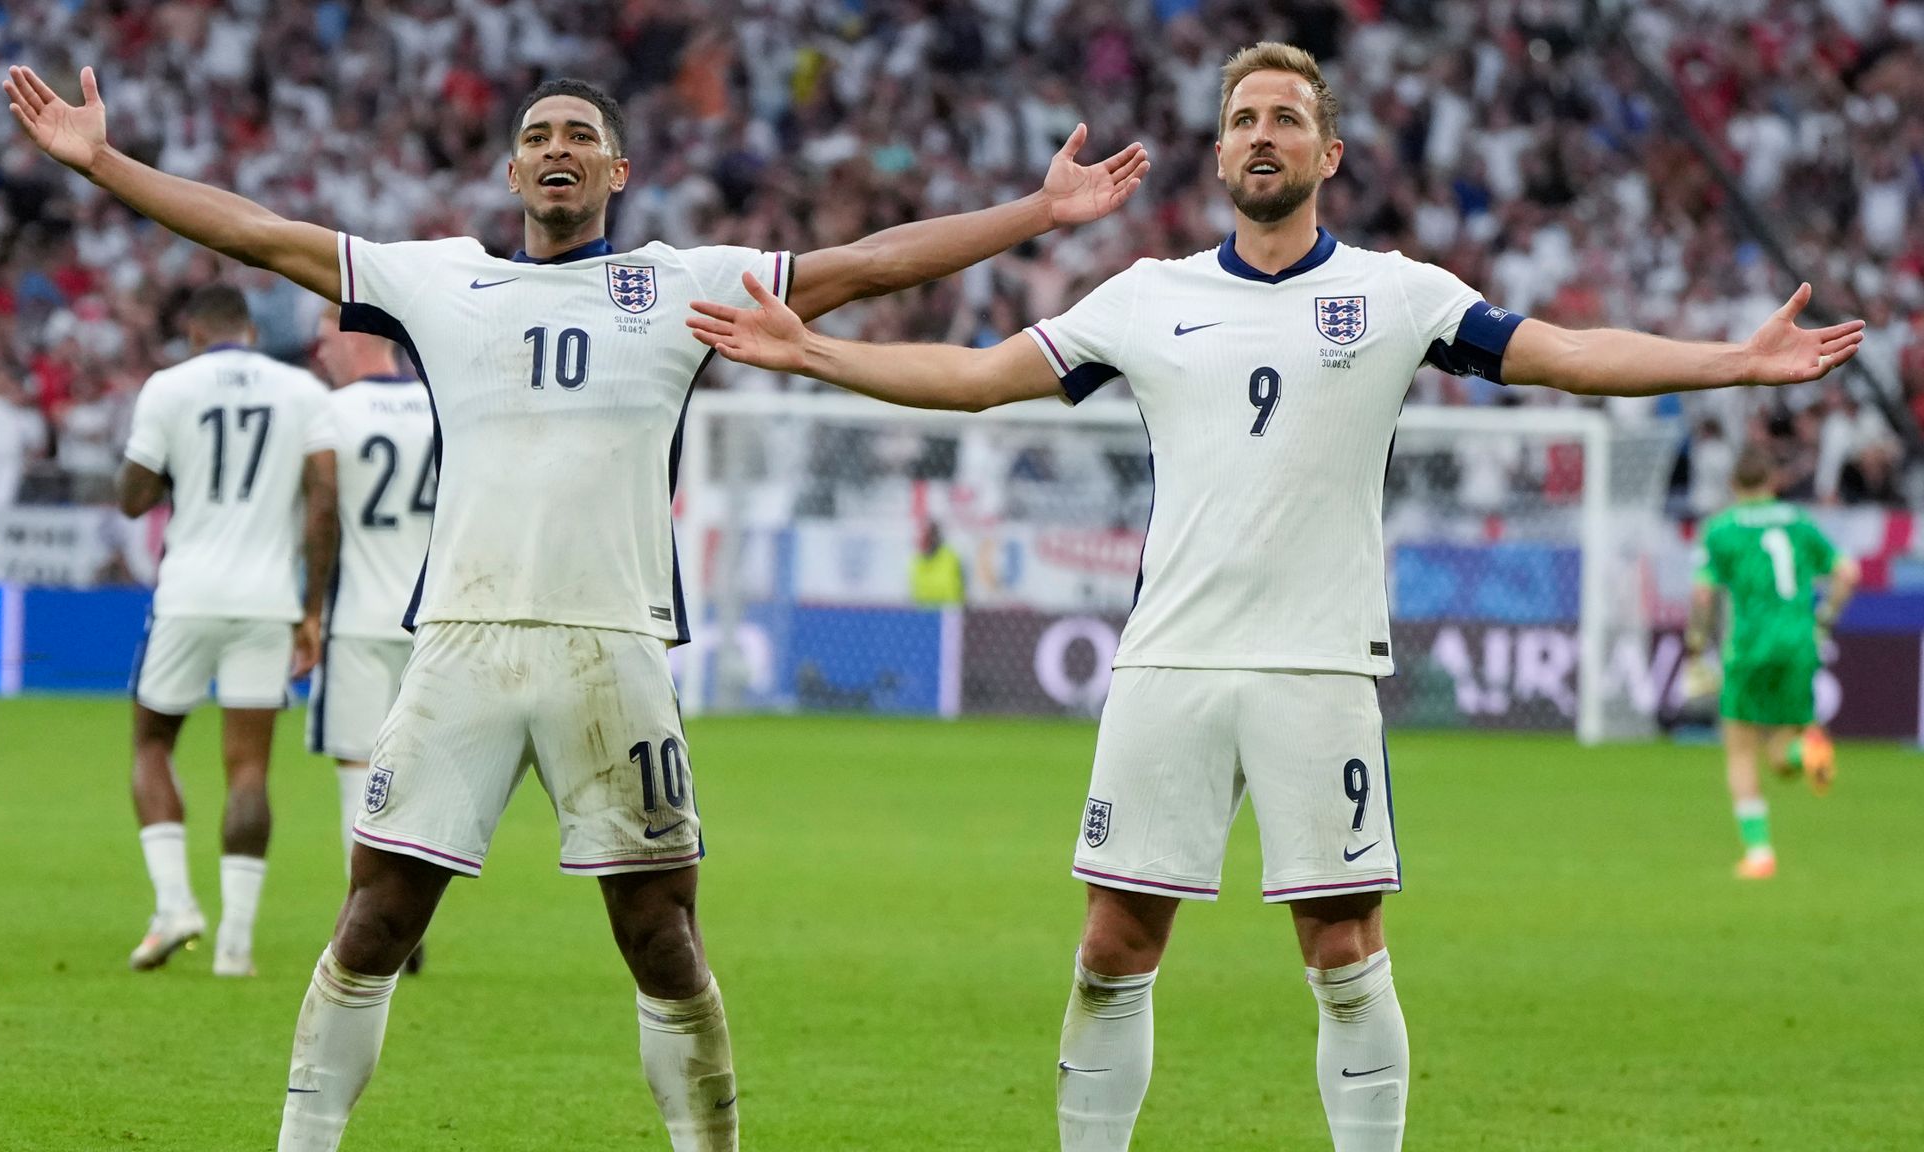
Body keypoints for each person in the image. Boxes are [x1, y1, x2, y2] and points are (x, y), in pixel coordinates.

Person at [685, 40, 1864, 1152]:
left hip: (1319, 666)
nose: (1262, 135)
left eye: (1285, 120)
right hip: (1170, 665)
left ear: (1326, 155)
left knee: (1342, 946)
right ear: (1215, 153)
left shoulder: (1399, 294)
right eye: (1242, 119)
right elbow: (982, 378)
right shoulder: (1142, 296)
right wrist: (819, 354)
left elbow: (1561, 350)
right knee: (1111, 943)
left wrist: (1730, 360)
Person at [4, 62, 1146, 1151]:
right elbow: (253, 233)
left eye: (580, 138)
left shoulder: (683, 282)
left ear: (618, 173)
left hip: (614, 650)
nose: (558, 150)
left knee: (659, 934)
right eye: (539, 137)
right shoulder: (440, 278)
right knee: (375, 923)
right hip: (462, 645)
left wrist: (1034, 213)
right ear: (511, 175)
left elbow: (865, 263)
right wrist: (104, 164)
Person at [118, 284, 339, 978]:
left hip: (187, 593)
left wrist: (174, 467)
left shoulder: (169, 386)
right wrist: (312, 607)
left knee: (153, 742)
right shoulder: (302, 389)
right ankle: (236, 947)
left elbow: (133, 499)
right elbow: (323, 502)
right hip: (268, 597)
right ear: (248, 330)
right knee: (248, 768)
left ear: (193, 333)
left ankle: (176, 903)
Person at [304, 303, 434, 971]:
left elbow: (321, 511)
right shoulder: (441, 403)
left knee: (358, 767)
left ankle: (367, 914)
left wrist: (307, 610)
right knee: (417, 773)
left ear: (355, 337)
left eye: (326, 336)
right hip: (433, 623)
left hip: (356, 616)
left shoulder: (334, 412)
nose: (319, 349)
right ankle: (408, 917)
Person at [1684, 446, 1857, 879]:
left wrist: (1696, 646)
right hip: (1800, 644)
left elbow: (1704, 595)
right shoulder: (1798, 522)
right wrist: (1824, 621)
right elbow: (1848, 573)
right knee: (1782, 756)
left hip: (1749, 648)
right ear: (1772, 483)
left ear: (1733, 486)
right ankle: (1809, 749)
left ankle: (1760, 854)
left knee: (1741, 749)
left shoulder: (1721, 529)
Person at [909, 521, 965, 605]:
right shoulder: (917, 562)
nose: (924, 541)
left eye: (928, 537)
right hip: (923, 613)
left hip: (948, 612)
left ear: (935, 537)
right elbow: (915, 593)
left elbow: (957, 591)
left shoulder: (950, 558)